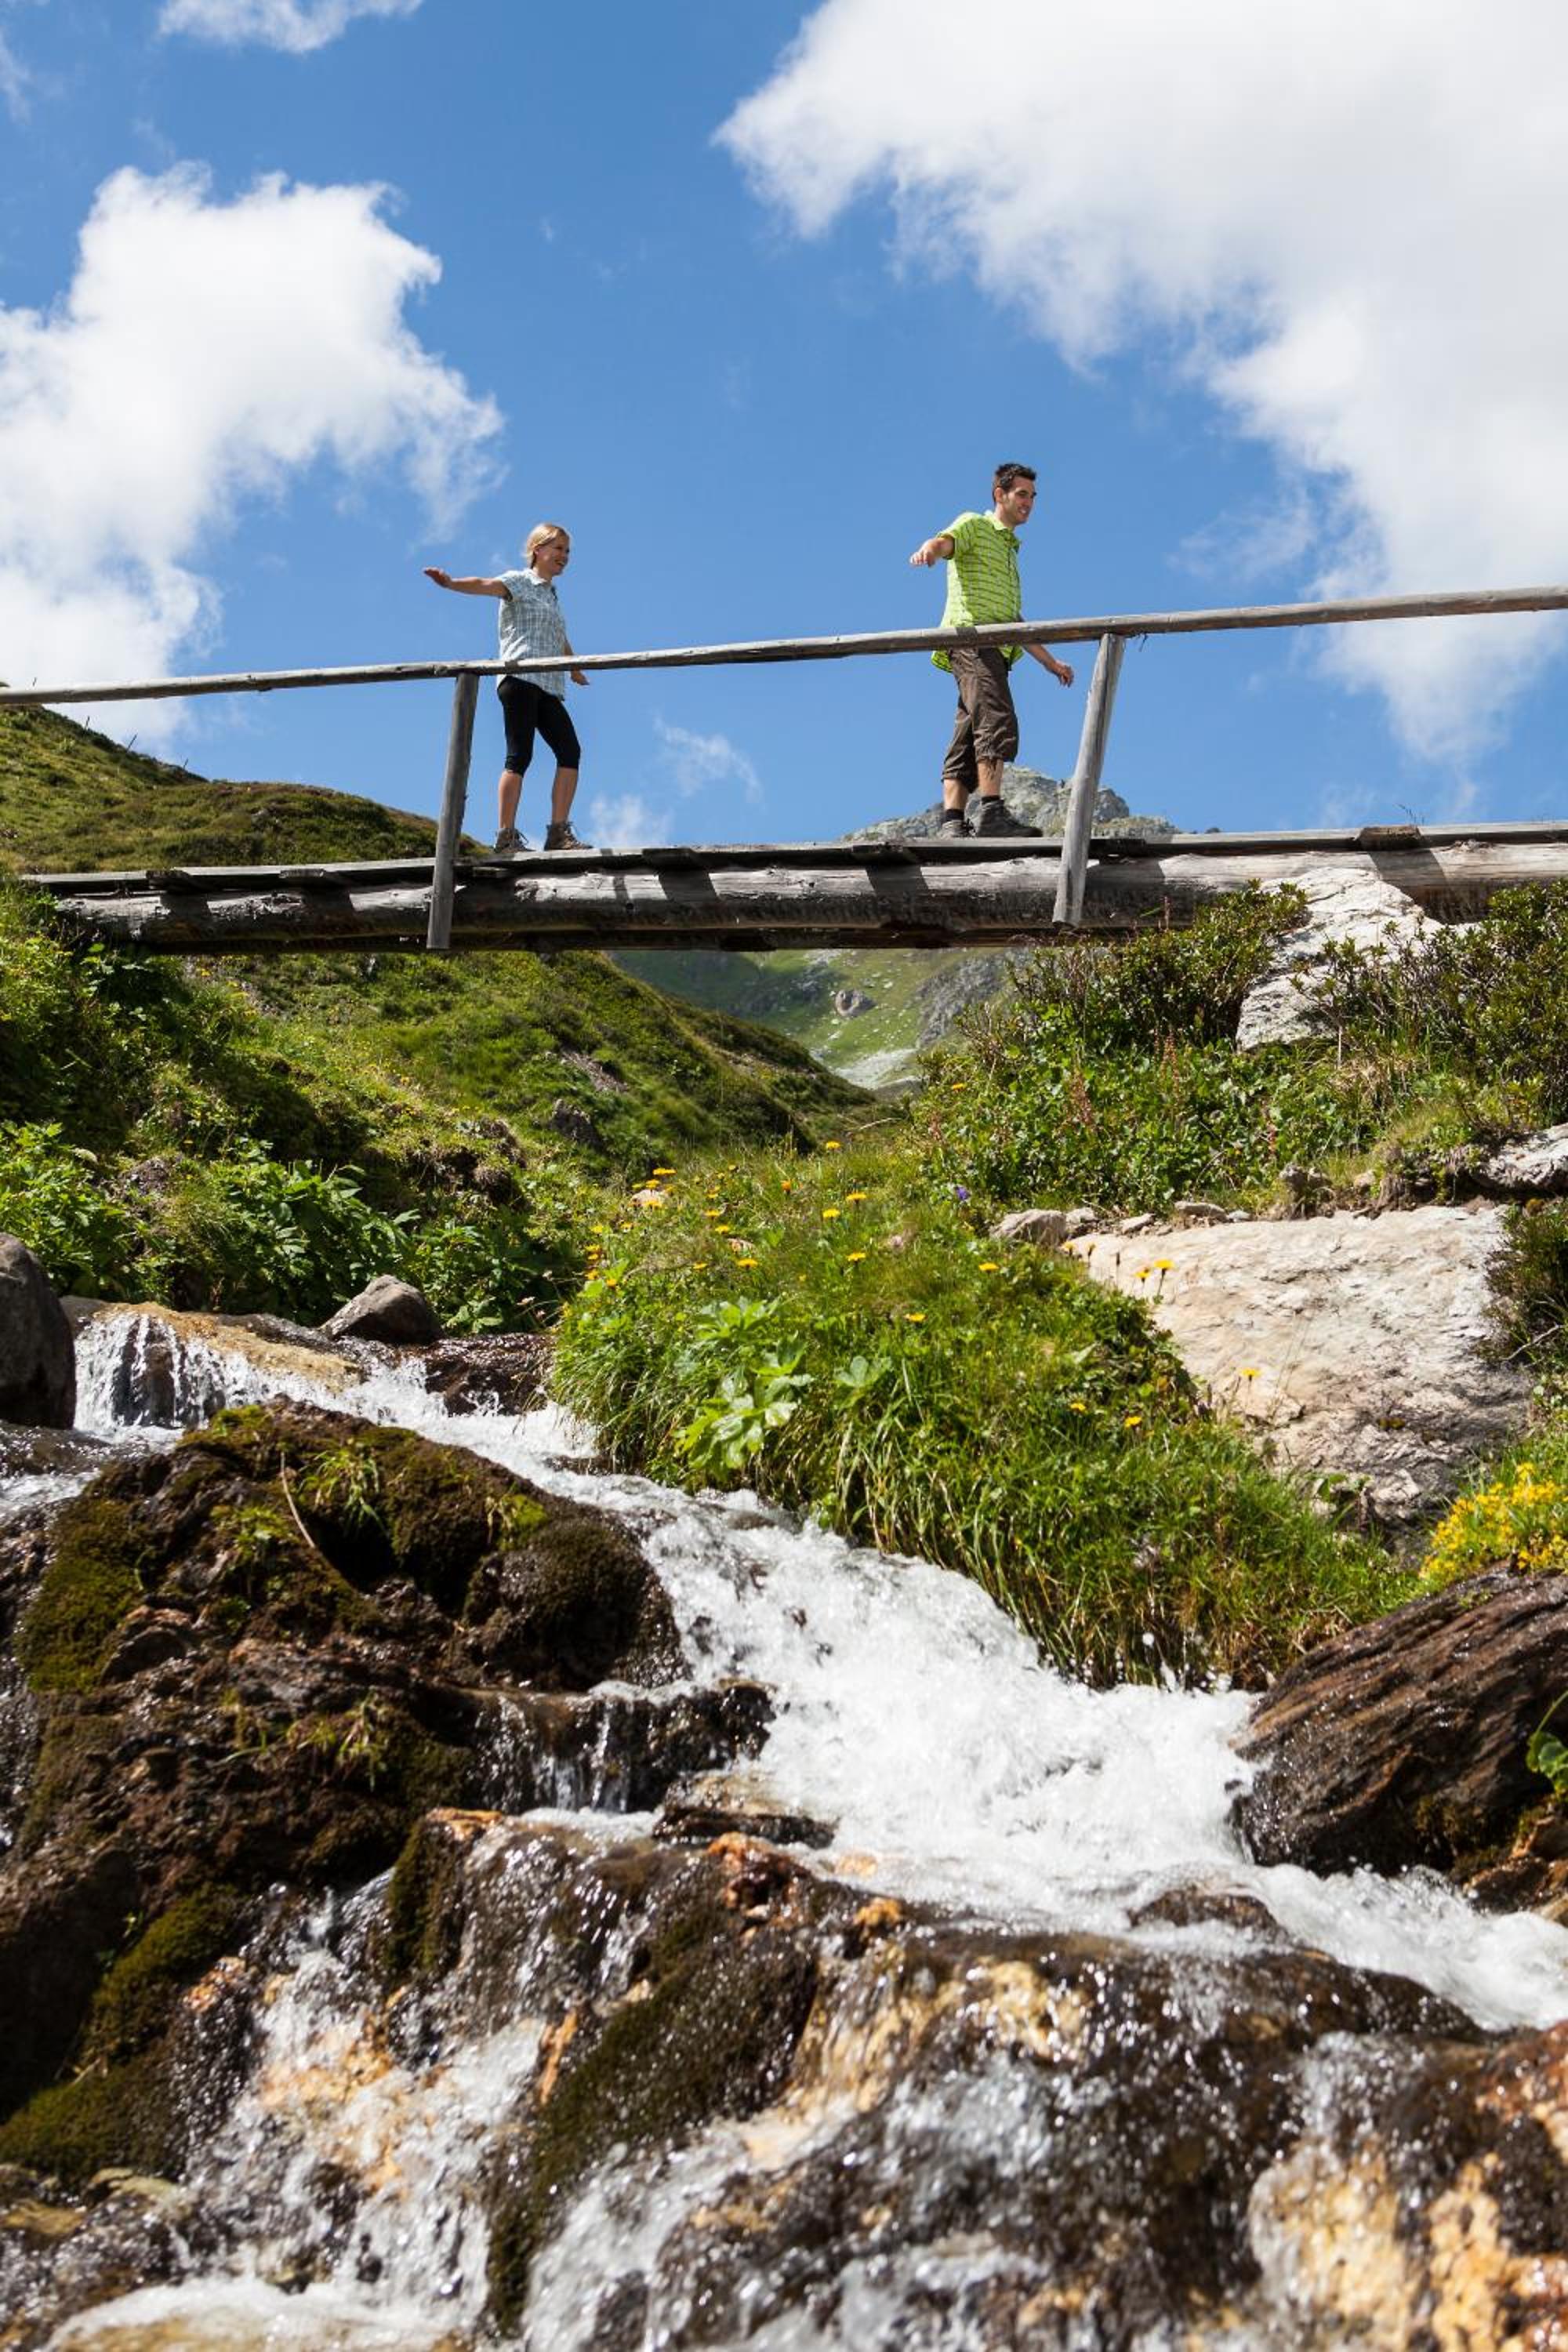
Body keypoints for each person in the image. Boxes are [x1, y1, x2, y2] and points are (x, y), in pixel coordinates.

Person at [909, 463, 1075, 838]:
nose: (1029, 503)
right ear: (1000, 494)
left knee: (969, 730)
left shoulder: (1009, 551)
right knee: (996, 720)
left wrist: (1050, 663)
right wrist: (929, 550)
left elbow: (1012, 620)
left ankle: (952, 822)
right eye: (1021, 494)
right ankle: (991, 813)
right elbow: (945, 542)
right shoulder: (975, 524)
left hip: (992, 648)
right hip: (973, 641)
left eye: (1033, 497)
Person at [424, 521, 591, 852]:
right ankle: (505, 836)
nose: (564, 556)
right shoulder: (520, 581)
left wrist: (573, 667)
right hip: (519, 679)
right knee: (520, 756)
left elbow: (559, 636)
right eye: (558, 548)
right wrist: (451, 583)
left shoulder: (551, 595)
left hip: (548, 684)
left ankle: (558, 833)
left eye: (568, 551)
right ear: (538, 550)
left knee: (570, 751)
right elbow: (485, 585)